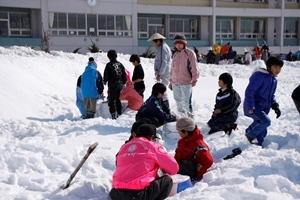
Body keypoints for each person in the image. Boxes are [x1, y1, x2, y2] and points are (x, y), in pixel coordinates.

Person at [110, 124, 179, 200]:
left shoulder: (124, 146)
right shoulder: (152, 146)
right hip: (137, 195)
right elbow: (174, 168)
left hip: (116, 193)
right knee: (167, 180)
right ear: (152, 137)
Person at [244, 56, 284, 146]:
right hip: (254, 107)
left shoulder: (273, 80)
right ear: (269, 67)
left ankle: (257, 148)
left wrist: (275, 105)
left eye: (279, 68)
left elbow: (271, 96)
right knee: (265, 122)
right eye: (275, 67)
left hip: (263, 109)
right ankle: (249, 133)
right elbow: (250, 91)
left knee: (262, 133)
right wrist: (250, 105)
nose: (277, 70)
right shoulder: (259, 76)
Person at [169, 34, 200, 118]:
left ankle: (190, 119)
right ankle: (183, 119)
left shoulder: (190, 53)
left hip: (186, 82)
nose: (179, 46)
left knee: (186, 102)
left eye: (180, 43)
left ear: (184, 44)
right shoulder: (175, 55)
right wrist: (171, 81)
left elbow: (194, 67)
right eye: (177, 44)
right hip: (175, 82)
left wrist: (194, 79)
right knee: (178, 102)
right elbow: (172, 69)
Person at [174, 117, 214, 181]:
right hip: (182, 167)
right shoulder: (182, 142)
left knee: (184, 164)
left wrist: (198, 174)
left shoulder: (199, 145)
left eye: (179, 131)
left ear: (185, 131)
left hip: (190, 169)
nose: (178, 133)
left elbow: (209, 160)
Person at [148, 33, 172, 108]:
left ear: (158, 41)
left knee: (162, 91)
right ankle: (162, 106)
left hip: (164, 73)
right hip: (162, 73)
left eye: (154, 42)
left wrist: (160, 74)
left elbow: (163, 62)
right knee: (161, 90)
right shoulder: (160, 48)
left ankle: (166, 107)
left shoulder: (163, 48)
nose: (153, 44)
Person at [103, 50, 127, 119]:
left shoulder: (109, 65)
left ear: (108, 57)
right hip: (120, 84)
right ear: (116, 56)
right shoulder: (120, 64)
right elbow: (124, 74)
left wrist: (105, 81)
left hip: (113, 84)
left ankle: (114, 114)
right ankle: (119, 113)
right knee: (117, 99)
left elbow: (106, 75)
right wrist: (123, 82)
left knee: (112, 100)